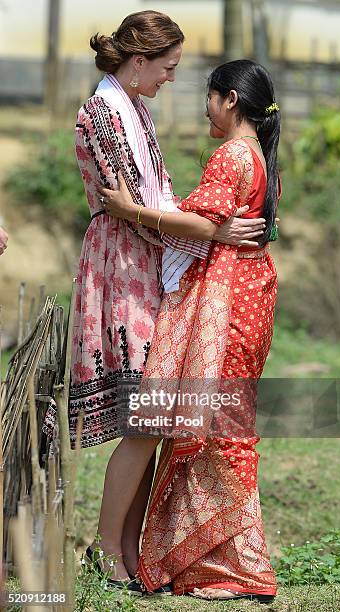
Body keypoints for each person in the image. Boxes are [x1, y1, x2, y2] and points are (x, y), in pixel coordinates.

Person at [41, 11, 267, 592]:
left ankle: (128, 553)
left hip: (149, 258)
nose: (171, 79)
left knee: (154, 417)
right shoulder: (101, 115)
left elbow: (149, 200)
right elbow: (129, 207)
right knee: (145, 415)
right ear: (137, 61)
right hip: (125, 263)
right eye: (167, 67)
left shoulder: (134, 109)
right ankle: (106, 551)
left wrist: (201, 230)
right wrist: (209, 232)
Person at [99, 58, 280, 602]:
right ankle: (217, 559)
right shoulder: (259, 159)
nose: (205, 107)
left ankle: (220, 563)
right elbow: (213, 226)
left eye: (209, 97)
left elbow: (199, 223)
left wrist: (130, 211)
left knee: (200, 426)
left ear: (229, 100)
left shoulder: (230, 155)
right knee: (222, 427)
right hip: (247, 298)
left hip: (223, 302)